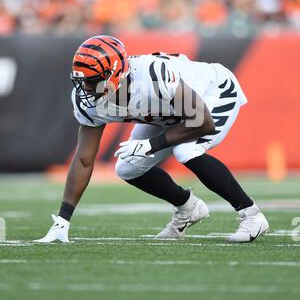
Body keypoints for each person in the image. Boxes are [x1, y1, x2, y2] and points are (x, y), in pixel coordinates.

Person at [35, 35, 269, 244]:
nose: (85, 87)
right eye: (82, 80)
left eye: (91, 80)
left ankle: (252, 215)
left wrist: (151, 144)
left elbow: (202, 122)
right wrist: (63, 220)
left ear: (113, 75)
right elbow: (84, 159)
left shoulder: (153, 76)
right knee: (128, 168)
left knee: (185, 151)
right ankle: (188, 206)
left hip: (212, 93)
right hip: (169, 110)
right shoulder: (90, 100)